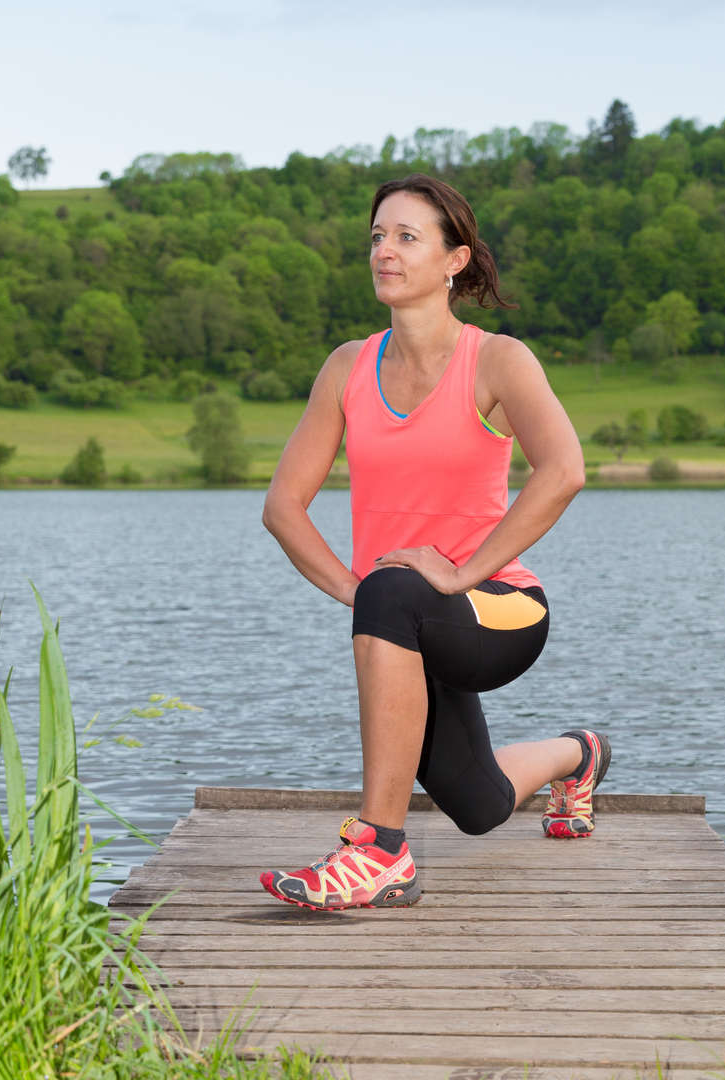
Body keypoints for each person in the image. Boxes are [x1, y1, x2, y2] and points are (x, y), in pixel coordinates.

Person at [259, 174, 610, 911]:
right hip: (407, 621)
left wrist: (460, 573)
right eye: (377, 237)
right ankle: (581, 754)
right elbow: (283, 508)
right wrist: (365, 598)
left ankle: (379, 850)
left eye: (407, 237)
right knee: (477, 804)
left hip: (501, 609)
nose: (385, 251)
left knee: (397, 591)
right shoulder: (347, 367)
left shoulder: (496, 361)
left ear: (455, 260)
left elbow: (564, 471)